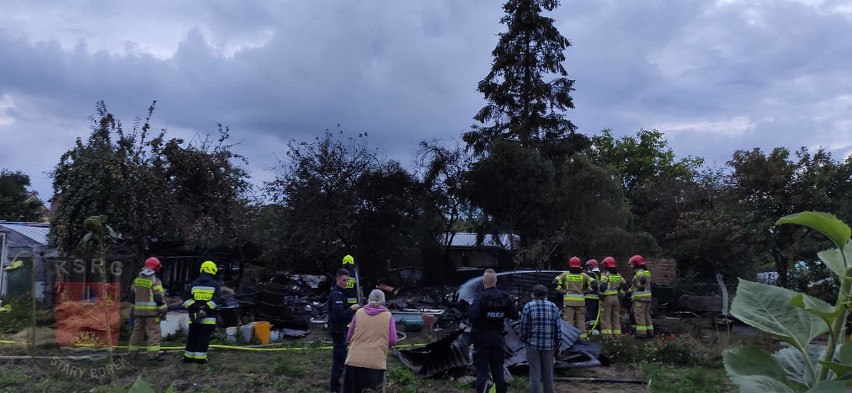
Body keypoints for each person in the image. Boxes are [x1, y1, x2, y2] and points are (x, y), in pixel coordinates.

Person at [468, 269, 518, 393]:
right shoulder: (504, 298)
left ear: (484, 281)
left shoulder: (480, 298)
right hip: (497, 340)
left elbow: (472, 317)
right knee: (498, 371)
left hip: (481, 341)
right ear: (496, 281)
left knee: (482, 372)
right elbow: (515, 315)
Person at [343, 289, 397, 393]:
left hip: (354, 361)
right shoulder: (388, 316)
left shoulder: (359, 312)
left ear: (369, 299)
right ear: (383, 300)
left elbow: (349, 335)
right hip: (375, 363)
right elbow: (393, 340)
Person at [519, 285, 560, 393]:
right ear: (546, 294)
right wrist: (557, 344)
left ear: (533, 295)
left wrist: (524, 339)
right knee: (548, 373)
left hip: (533, 345)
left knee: (534, 373)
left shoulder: (529, 306)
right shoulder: (553, 307)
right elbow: (558, 328)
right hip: (549, 346)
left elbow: (523, 326)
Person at [128, 257, 167, 361]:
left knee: (137, 332)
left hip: (138, 312)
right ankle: (153, 355)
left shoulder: (137, 280)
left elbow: (132, 297)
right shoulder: (155, 281)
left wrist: (132, 311)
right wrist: (163, 311)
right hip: (152, 313)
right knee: (154, 332)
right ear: (156, 268)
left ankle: (132, 354)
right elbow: (159, 298)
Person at [182, 260, 220, 364]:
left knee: (192, 337)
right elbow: (216, 301)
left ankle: (188, 358)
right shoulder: (214, 285)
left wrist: (195, 307)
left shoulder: (194, 283)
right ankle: (200, 359)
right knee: (204, 338)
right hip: (208, 318)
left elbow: (186, 298)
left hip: (194, 317)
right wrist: (205, 308)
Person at [329, 268, 360, 393]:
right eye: (343, 280)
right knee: (339, 361)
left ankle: (337, 386)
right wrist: (351, 309)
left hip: (340, 329)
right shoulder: (336, 294)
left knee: (341, 359)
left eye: (347, 280)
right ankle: (335, 389)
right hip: (337, 330)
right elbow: (338, 315)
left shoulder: (342, 292)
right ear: (337, 279)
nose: (346, 282)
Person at [553, 257, 594, 339]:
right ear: (579, 265)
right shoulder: (584, 275)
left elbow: (554, 283)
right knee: (581, 321)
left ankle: (569, 339)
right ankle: (583, 339)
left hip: (568, 302)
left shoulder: (565, 274)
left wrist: (562, 291)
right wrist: (586, 291)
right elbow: (594, 283)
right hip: (581, 302)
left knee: (569, 321)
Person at [599, 257, 626, 335]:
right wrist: (620, 294)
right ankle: (617, 337)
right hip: (616, 298)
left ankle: (607, 338)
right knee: (615, 318)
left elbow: (603, 286)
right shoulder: (619, 275)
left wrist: (600, 295)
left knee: (605, 318)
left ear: (606, 265)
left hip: (607, 299)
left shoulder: (606, 275)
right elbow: (625, 286)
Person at [628, 255, 654, 338]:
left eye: (632, 264)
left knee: (639, 316)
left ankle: (641, 334)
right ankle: (650, 333)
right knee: (646, 315)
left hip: (640, 298)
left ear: (636, 263)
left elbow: (638, 285)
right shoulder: (646, 272)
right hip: (647, 298)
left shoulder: (639, 273)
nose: (631, 265)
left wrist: (633, 289)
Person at [584, 259, 601, 335]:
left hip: (591, 298)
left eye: (588, 266)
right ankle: (596, 327)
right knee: (595, 313)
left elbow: (592, 285)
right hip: (597, 298)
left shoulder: (591, 275)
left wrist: (586, 291)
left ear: (591, 266)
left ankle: (593, 328)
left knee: (592, 313)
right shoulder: (598, 274)